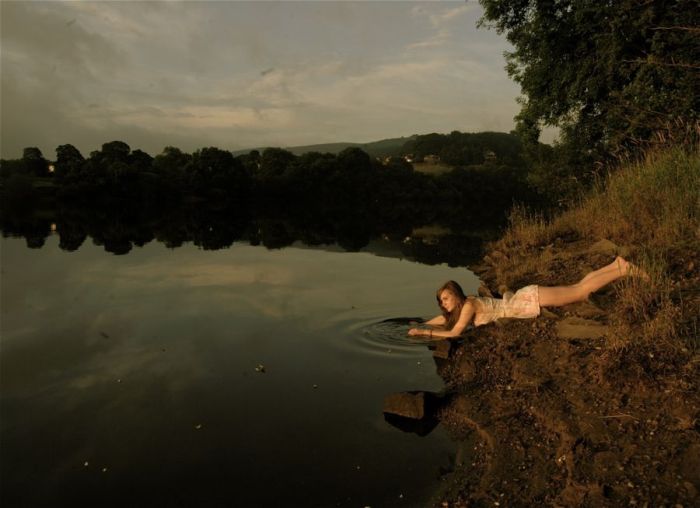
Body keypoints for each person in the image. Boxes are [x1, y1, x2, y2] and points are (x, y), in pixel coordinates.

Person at [408, 256, 648, 339]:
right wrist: (421, 324)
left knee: (580, 292)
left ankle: (624, 270)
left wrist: (423, 334)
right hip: (522, 299)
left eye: (447, 298)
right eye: (442, 301)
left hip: (527, 300)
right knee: (578, 287)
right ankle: (616, 264)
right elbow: (444, 320)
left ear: (457, 296)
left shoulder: (468, 306)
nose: (444, 303)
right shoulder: (462, 307)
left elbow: (453, 332)